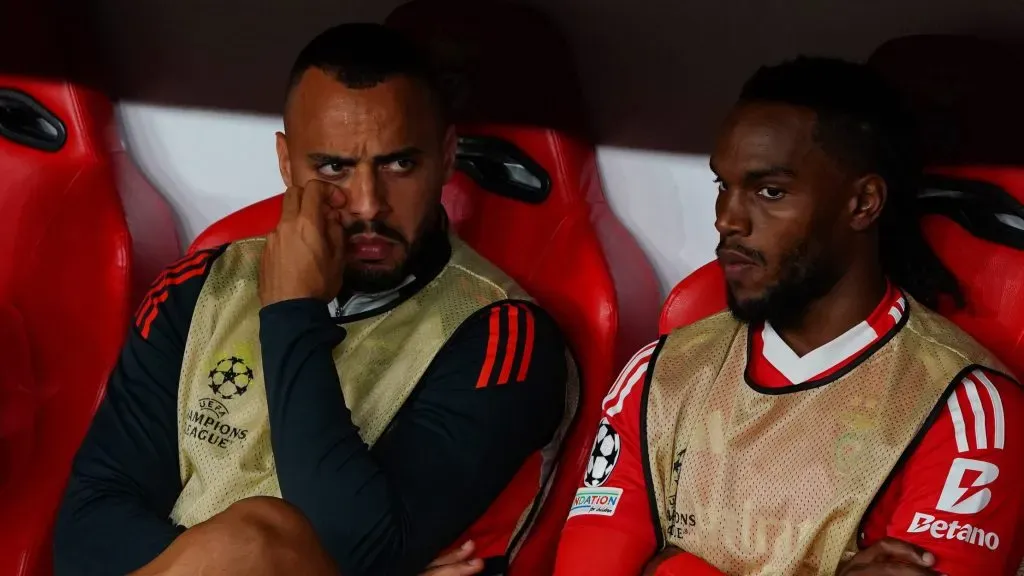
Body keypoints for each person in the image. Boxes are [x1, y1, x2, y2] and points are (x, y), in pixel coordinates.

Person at [54, 23, 577, 576]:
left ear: (446, 157)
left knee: (253, 543)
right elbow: (85, 534)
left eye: (400, 164)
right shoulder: (198, 287)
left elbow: (358, 544)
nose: (368, 204)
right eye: (334, 168)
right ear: (286, 162)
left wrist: (290, 315)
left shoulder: (502, 336)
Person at [553, 57, 1024, 576]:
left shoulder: (965, 407)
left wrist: (668, 567)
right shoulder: (659, 375)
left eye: (769, 191)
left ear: (863, 203)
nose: (727, 219)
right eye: (722, 186)